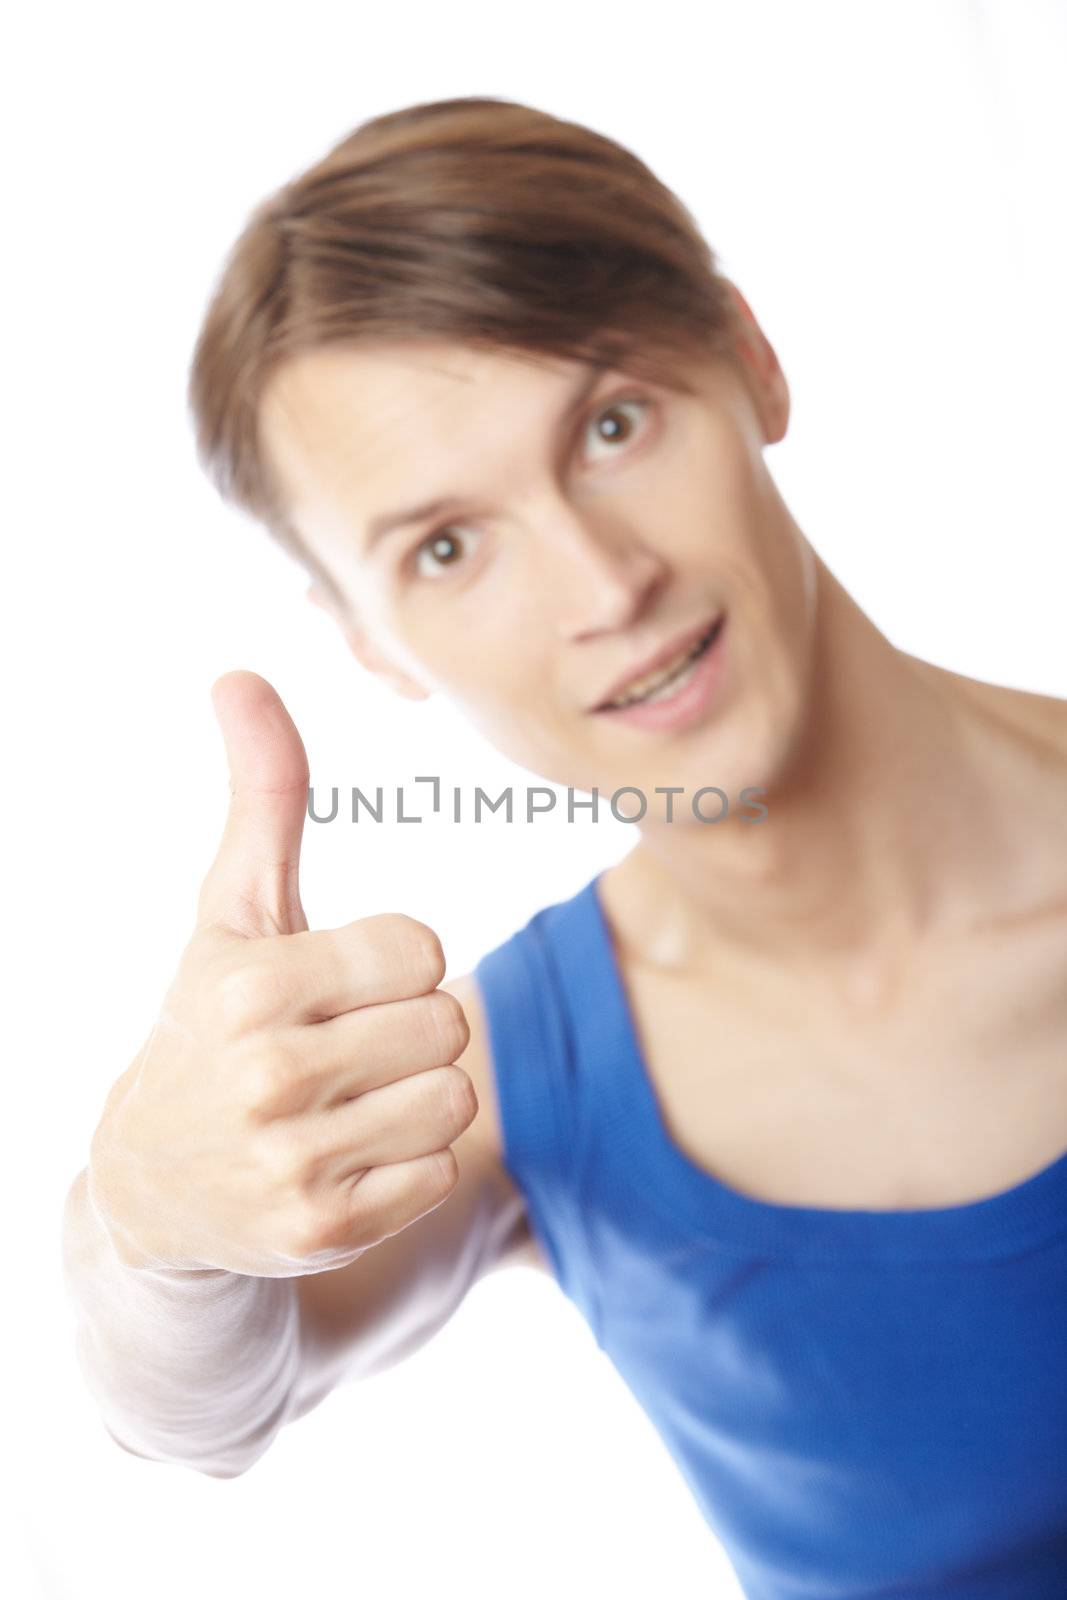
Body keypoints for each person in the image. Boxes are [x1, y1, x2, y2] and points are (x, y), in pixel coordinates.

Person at [61, 95, 1067, 1598]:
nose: (606, 585)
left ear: (750, 357)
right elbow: (209, 1406)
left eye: (610, 424)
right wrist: (145, 1217)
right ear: (372, 644)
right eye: (448, 548)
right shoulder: (510, 1083)